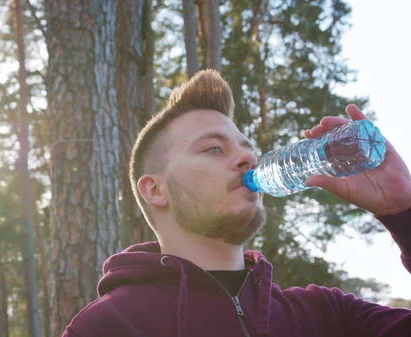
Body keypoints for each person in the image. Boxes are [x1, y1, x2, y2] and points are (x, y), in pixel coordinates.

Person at [60, 69, 411, 337]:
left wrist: (403, 212)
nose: (247, 159)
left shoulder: (326, 315)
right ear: (155, 190)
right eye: (214, 148)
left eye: (247, 148)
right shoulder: (106, 327)